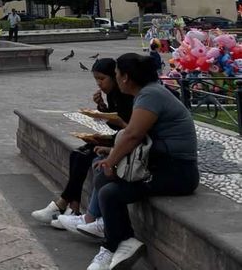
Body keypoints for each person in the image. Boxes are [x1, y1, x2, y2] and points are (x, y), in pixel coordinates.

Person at [84, 53, 199, 270]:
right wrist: (111, 153)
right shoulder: (148, 93)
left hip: (177, 171)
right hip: (160, 162)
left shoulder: (150, 96)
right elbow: (139, 138)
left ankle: (116, 245)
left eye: (116, 74)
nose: (116, 79)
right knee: (103, 179)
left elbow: (133, 135)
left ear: (125, 77)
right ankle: (118, 238)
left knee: (110, 191)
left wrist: (111, 160)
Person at [32, 58, 134, 233]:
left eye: (102, 79)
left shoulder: (126, 94)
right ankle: (74, 207)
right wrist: (102, 107)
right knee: (77, 154)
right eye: (96, 80)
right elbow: (115, 124)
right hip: (119, 137)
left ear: (115, 76)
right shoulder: (112, 94)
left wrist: (108, 123)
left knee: (87, 157)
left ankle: (62, 204)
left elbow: (131, 129)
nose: (99, 84)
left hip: (126, 141)